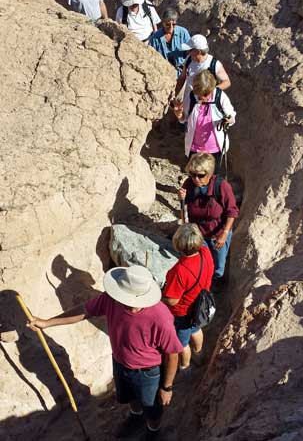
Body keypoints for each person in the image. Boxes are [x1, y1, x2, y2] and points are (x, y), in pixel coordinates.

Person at [27, 265, 182, 440]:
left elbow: (172, 353)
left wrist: (166, 387)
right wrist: (48, 322)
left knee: (152, 408)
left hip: (147, 373)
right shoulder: (112, 299)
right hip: (120, 362)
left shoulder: (160, 317)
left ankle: (153, 431)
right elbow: (85, 311)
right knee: (129, 396)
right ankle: (136, 417)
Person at [178, 153, 239, 290]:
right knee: (202, 262)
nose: (196, 179)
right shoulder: (189, 184)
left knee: (219, 266)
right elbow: (184, 212)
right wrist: (181, 199)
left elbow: (232, 212)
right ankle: (203, 284)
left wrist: (224, 234)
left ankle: (216, 285)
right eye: (193, 174)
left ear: (210, 173)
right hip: (199, 233)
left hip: (218, 233)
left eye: (200, 175)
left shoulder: (222, 186)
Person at [162, 224, 214, 370]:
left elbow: (172, 300)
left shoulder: (179, 270)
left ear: (178, 245)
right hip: (200, 305)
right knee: (196, 329)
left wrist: (161, 296)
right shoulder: (205, 252)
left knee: (182, 343)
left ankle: (185, 366)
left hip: (183, 312)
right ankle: (199, 352)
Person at [173, 70, 236, 168]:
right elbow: (184, 119)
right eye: (199, 95)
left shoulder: (219, 96)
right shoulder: (191, 97)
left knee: (212, 179)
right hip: (194, 148)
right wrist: (179, 114)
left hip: (215, 149)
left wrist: (228, 119)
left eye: (206, 95)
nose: (202, 97)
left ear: (211, 89)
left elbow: (231, 115)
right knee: (196, 176)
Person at [175, 34, 231, 112]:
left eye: (191, 50)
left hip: (205, 108)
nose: (189, 52)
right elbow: (182, 78)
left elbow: (227, 82)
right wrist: (176, 96)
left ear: (198, 51)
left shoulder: (213, 64)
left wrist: (210, 91)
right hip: (189, 104)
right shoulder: (189, 59)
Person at [149, 8, 190, 75]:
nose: (171, 27)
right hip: (163, 73)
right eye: (168, 24)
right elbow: (151, 56)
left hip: (182, 72)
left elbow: (190, 52)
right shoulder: (155, 38)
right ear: (163, 23)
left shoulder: (183, 33)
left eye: (173, 24)